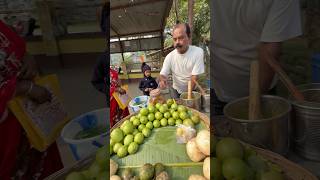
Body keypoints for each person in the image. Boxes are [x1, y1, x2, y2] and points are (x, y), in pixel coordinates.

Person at [212, 0, 302, 115]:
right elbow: (270, 48)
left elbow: (270, 50)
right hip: (217, 87)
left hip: (260, 86)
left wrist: (256, 101)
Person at [0, 20, 63, 179]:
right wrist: (22, 88)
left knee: (48, 167)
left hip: (32, 117)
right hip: (8, 136)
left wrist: (27, 56)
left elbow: (13, 44)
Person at [159, 23, 205, 98]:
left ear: (189, 37)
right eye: (175, 39)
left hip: (193, 90)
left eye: (181, 38)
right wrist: (162, 80)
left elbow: (194, 77)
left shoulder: (198, 52)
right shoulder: (169, 57)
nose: (177, 42)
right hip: (176, 90)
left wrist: (187, 97)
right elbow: (163, 74)